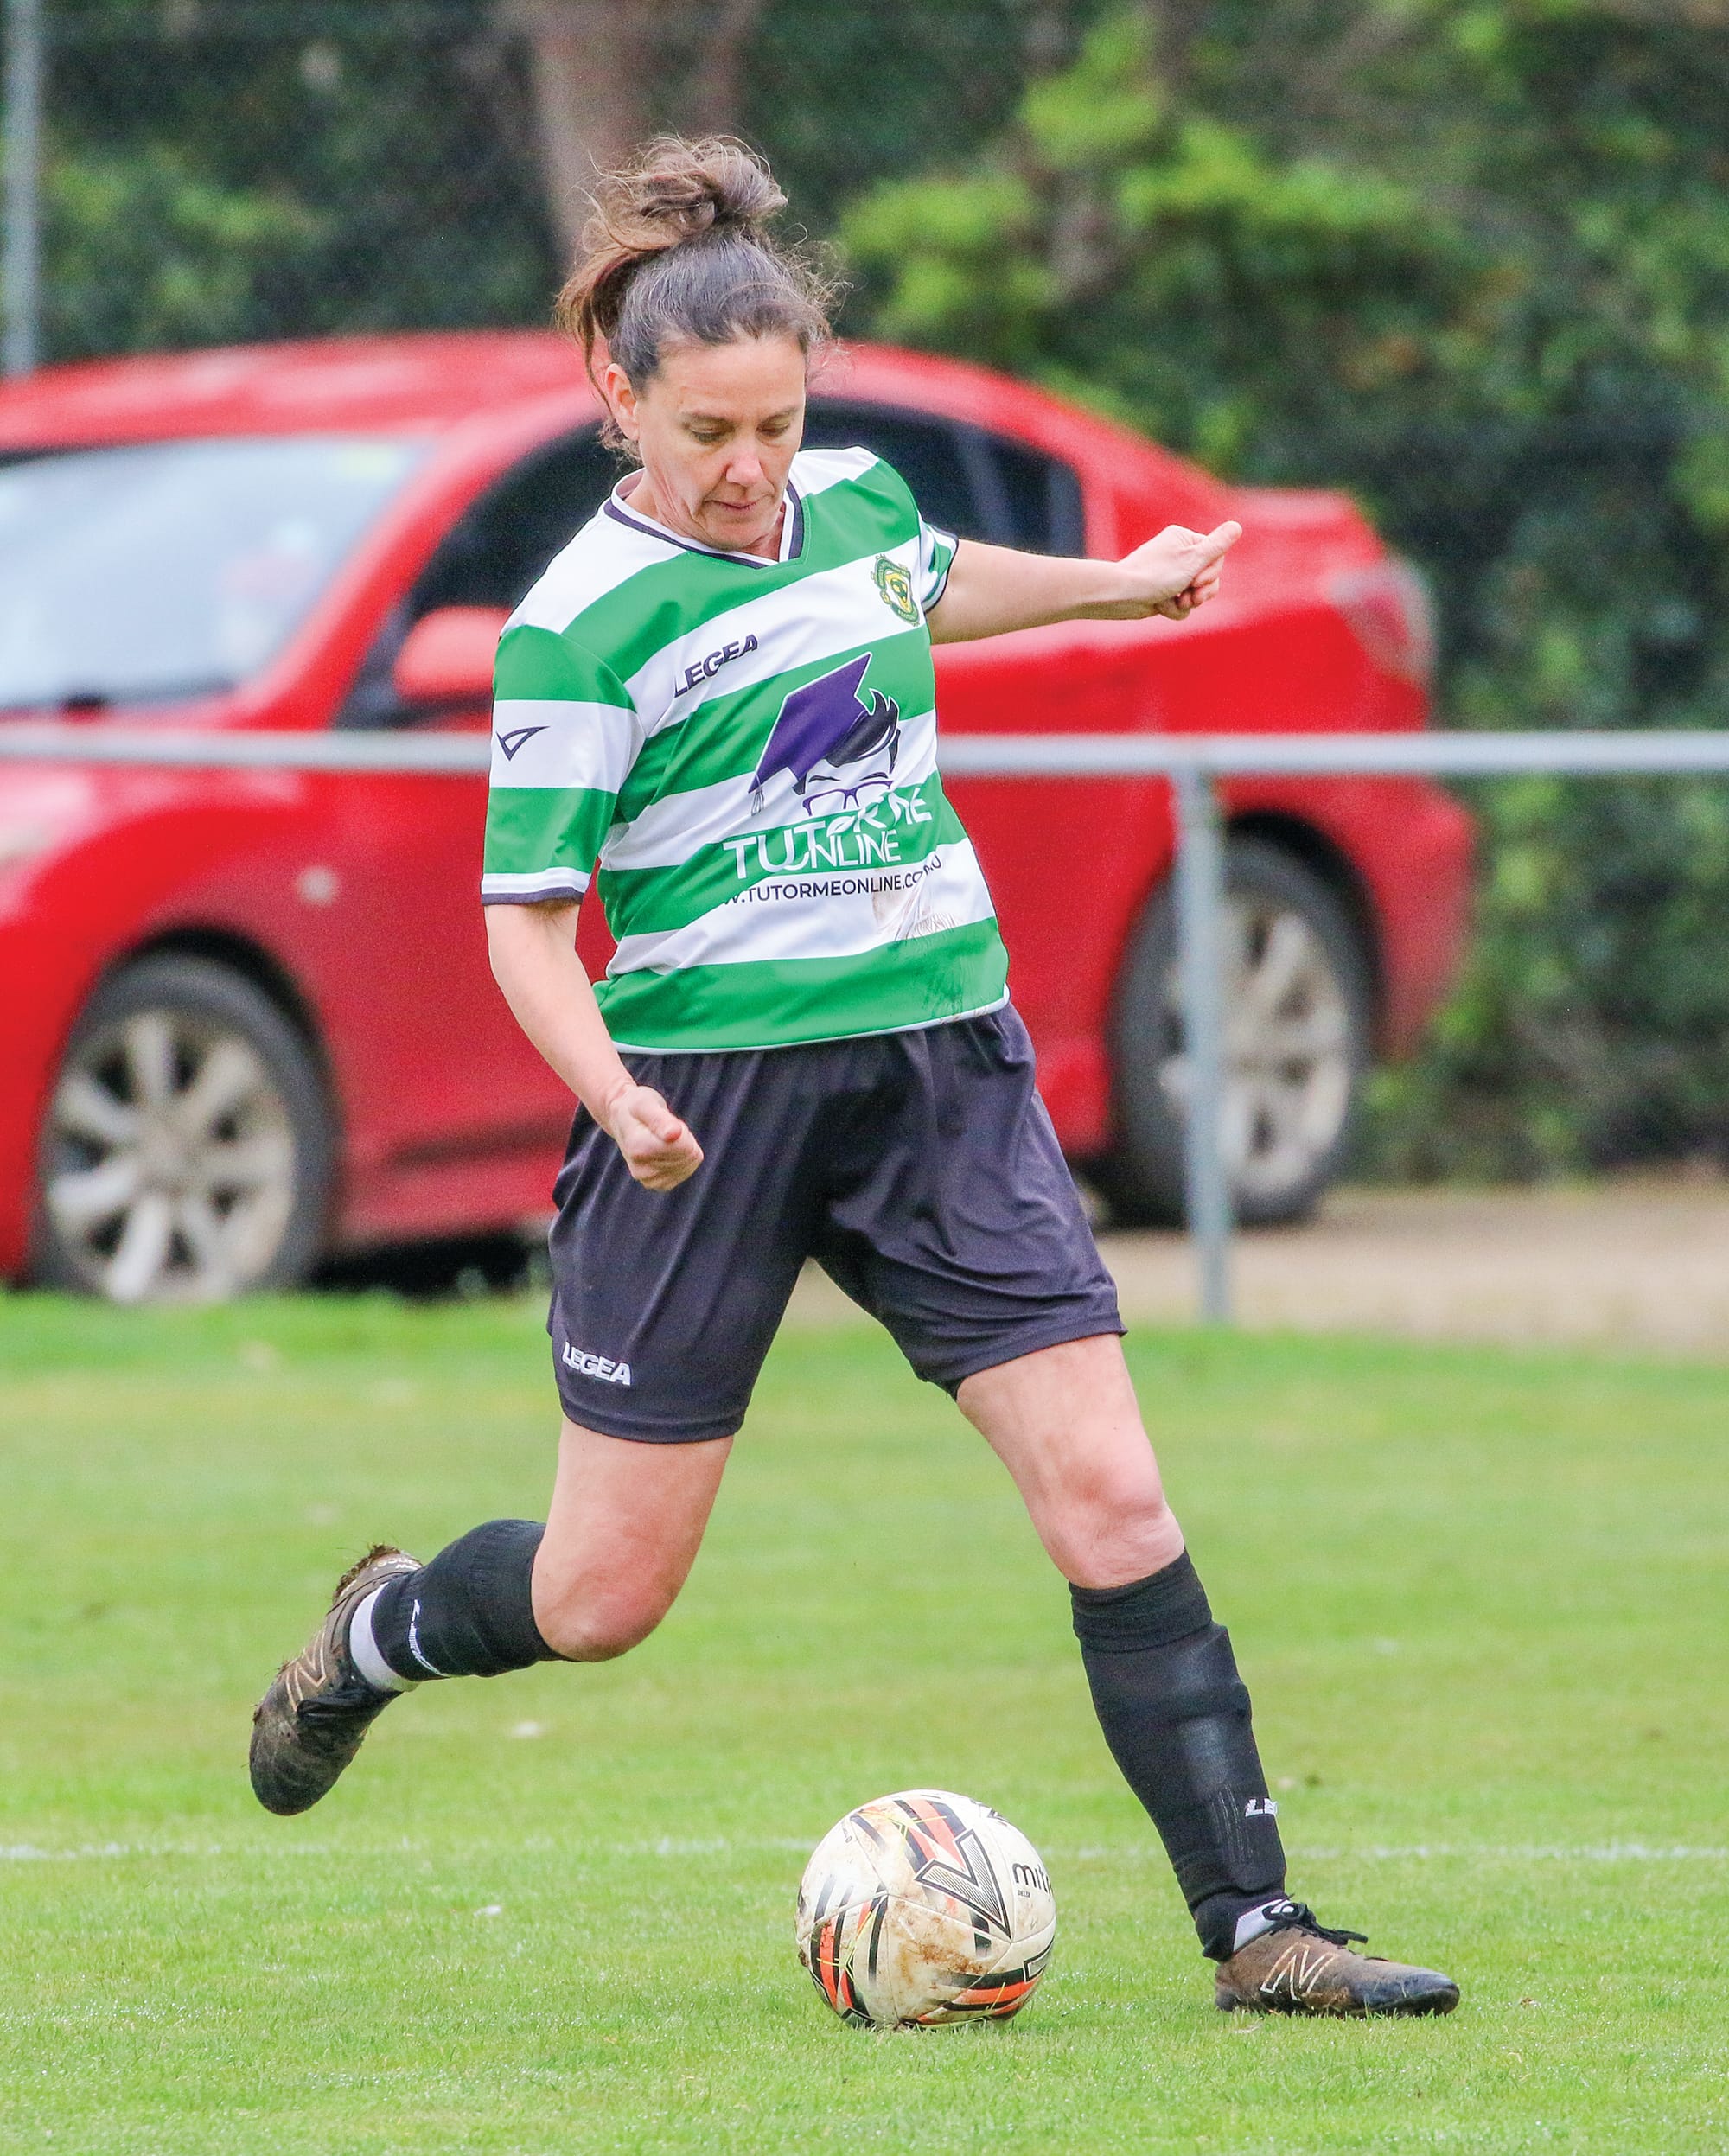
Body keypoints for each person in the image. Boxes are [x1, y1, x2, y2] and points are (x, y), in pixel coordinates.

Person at [250, 137, 1458, 2019]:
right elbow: (522, 926)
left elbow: (918, 576)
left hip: (935, 1071)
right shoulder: (577, 627)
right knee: (602, 1597)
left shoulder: (848, 499)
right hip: (700, 1113)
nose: (748, 469)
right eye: (710, 429)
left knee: (1113, 1499)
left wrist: (1114, 587)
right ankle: (383, 1628)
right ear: (618, 396)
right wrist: (613, 1093)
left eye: (778, 423)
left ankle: (1260, 1929)